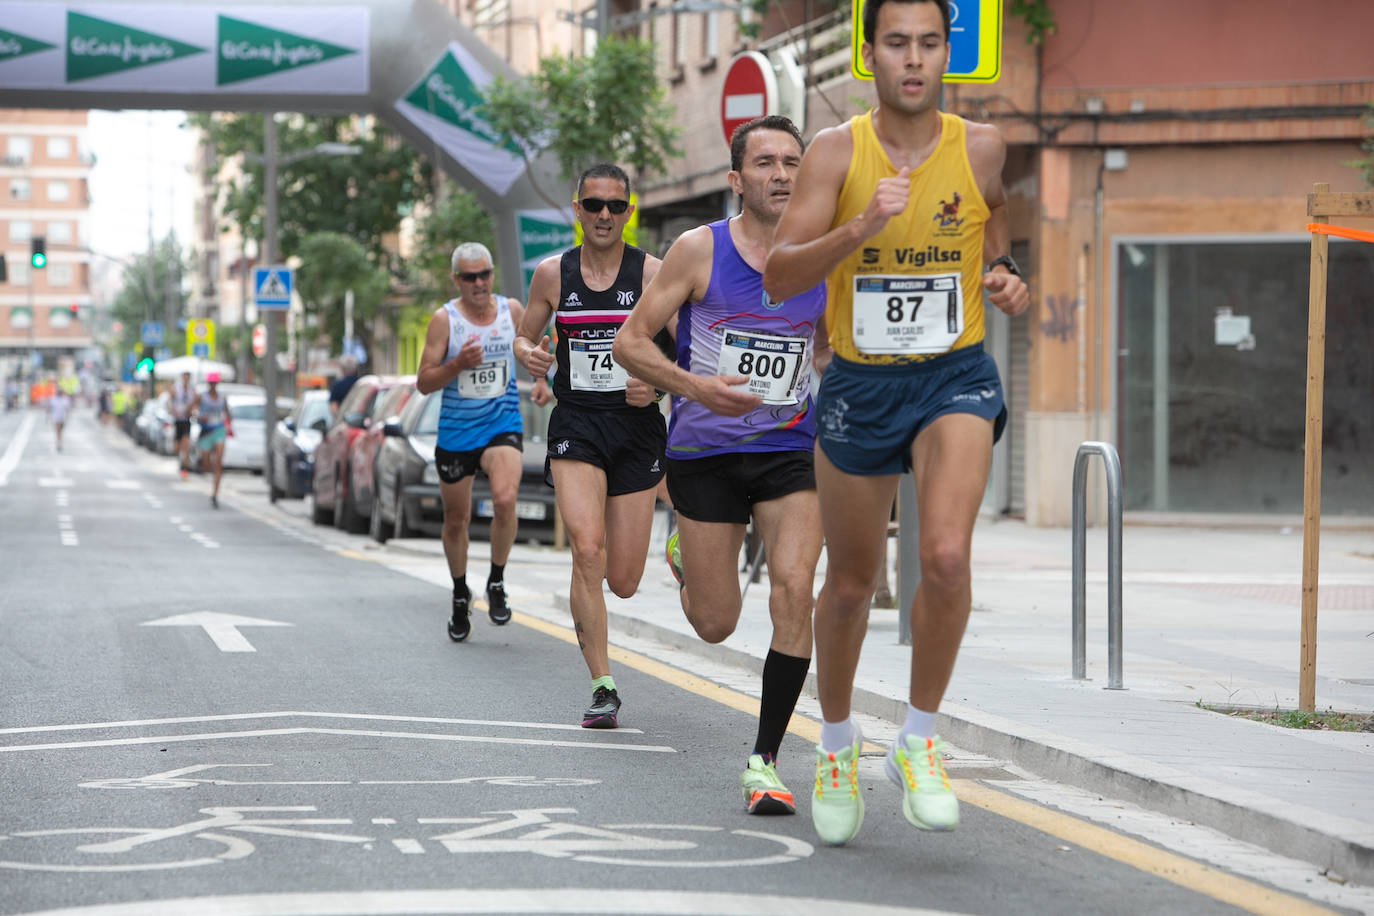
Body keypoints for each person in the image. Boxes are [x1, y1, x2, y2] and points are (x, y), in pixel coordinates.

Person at [763, 0, 1030, 845]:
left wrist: (1006, 271)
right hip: (861, 385)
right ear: (869, 52)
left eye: (928, 42)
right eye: (896, 43)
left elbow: (992, 217)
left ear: (946, 50)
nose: (913, 59)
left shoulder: (981, 145)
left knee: (946, 555)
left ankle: (918, 740)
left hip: (953, 373)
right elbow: (778, 275)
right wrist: (862, 225)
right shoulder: (836, 155)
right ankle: (837, 745)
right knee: (848, 584)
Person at [615, 116, 829, 814]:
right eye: (765, 162)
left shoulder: (824, 257)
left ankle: (765, 761)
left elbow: (828, 345)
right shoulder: (697, 251)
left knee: (795, 591)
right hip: (705, 453)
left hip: (790, 450)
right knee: (715, 624)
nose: (782, 174)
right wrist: (699, 387)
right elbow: (631, 344)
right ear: (737, 180)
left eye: (793, 161)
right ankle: (682, 550)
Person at [514, 162, 668, 729]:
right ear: (576, 209)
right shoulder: (552, 275)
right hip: (577, 423)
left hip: (636, 428)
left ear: (629, 212)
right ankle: (602, 685)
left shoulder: (652, 273)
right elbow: (526, 334)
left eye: (616, 206)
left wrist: (656, 377)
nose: (605, 215)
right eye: (594, 204)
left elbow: (684, 351)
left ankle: (675, 552)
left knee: (623, 580)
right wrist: (527, 354)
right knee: (586, 550)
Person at [416, 242, 528, 642]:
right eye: (469, 276)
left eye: (485, 274)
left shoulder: (511, 311)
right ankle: (460, 592)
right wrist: (457, 364)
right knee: (456, 520)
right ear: (456, 280)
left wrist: (546, 383)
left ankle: (496, 581)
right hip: (457, 433)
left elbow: (534, 349)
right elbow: (424, 382)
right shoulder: (444, 321)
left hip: (502, 423)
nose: (479, 283)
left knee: (504, 498)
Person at [190, 372, 233, 509]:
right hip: (205, 432)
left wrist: (228, 425)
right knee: (207, 463)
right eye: (211, 383)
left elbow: (227, 414)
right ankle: (210, 471)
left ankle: (215, 493)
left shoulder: (222, 397)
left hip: (218, 430)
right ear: (208, 383)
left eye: (215, 383)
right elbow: (193, 411)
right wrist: (199, 416)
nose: (213, 385)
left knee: (219, 461)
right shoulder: (201, 396)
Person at [169, 371, 196, 478]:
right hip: (178, 419)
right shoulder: (176, 389)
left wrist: (192, 410)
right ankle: (180, 459)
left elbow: (194, 403)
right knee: (177, 447)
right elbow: (169, 401)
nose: (186, 379)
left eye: (188, 377)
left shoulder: (192, 390)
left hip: (186, 420)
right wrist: (172, 410)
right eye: (184, 377)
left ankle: (184, 468)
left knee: (186, 444)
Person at [48, 387, 72, 452]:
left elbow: (68, 409)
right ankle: (58, 443)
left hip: (62, 418)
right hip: (56, 417)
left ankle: (59, 442)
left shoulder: (65, 399)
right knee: (58, 431)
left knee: (60, 431)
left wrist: (68, 417)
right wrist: (49, 417)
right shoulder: (53, 399)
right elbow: (50, 408)